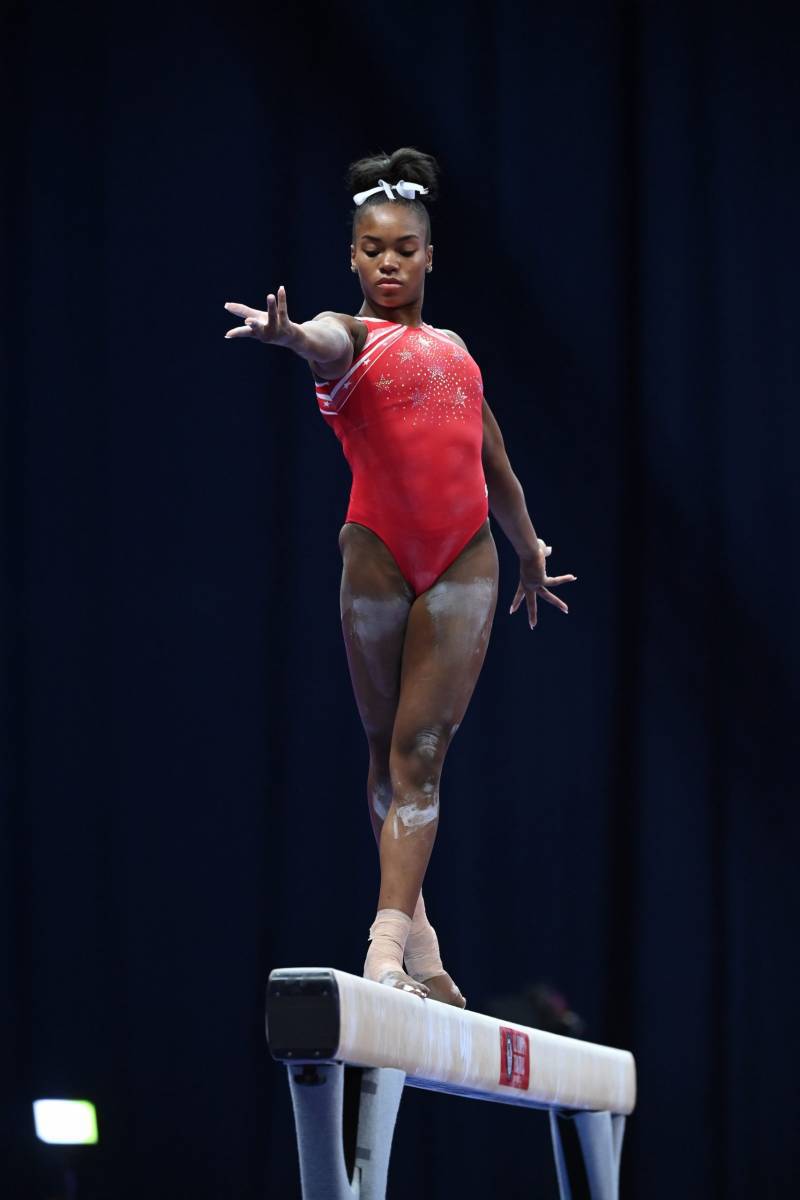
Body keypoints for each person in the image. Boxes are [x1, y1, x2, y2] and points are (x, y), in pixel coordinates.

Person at [224, 147, 576, 1007]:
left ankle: (383, 948)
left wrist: (529, 549)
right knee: (385, 753)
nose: (389, 262)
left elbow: (496, 466)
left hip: (467, 557)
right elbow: (319, 337)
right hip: (378, 555)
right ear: (352, 257)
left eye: (405, 249)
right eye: (373, 248)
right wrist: (288, 336)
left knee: (421, 753)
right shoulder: (348, 339)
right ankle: (420, 943)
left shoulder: (456, 349)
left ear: (429, 256)